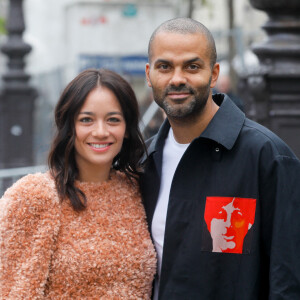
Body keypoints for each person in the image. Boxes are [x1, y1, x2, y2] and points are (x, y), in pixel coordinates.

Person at [140, 17, 300, 299]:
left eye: (192, 66)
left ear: (214, 74)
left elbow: (288, 278)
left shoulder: (267, 156)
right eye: (164, 67)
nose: (177, 79)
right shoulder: (143, 161)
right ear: (149, 74)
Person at [0, 69, 156, 298]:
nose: (101, 132)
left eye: (113, 119)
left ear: (127, 129)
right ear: (69, 126)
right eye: (86, 120)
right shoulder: (34, 196)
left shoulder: (137, 190)